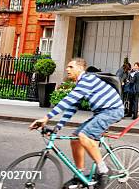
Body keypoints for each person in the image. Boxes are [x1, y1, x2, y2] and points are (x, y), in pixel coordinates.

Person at [29, 58, 123, 189]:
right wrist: (58, 127)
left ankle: (104, 170)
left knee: (84, 136)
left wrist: (46, 117)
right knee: (75, 138)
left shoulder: (87, 79)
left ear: (80, 69)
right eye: (67, 67)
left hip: (112, 111)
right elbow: (72, 106)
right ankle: (79, 176)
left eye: (70, 67)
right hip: (101, 113)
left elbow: (68, 100)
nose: (67, 69)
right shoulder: (81, 84)